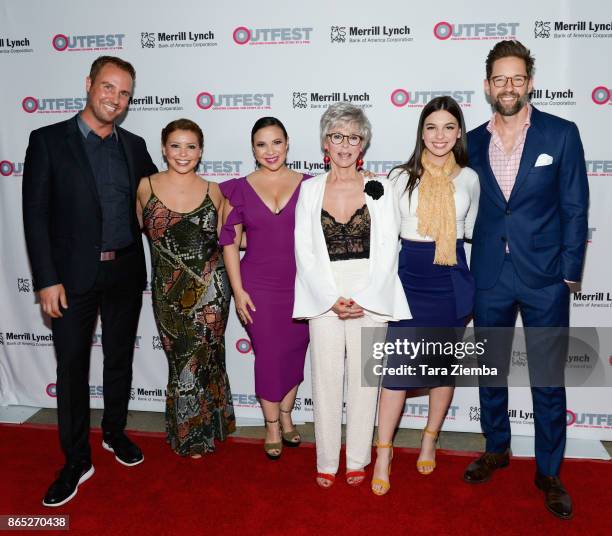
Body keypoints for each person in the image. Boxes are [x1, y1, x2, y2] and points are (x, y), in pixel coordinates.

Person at [22, 56, 158, 507]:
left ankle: (114, 433)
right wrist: (46, 279)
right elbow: (35, 216)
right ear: (89, 84)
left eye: (124, 94)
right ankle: (76, 459)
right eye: (108, 88)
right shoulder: (47, 141)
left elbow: (160, 202)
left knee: (119, 358)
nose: (115, 100)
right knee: (72, 368)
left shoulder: (134, 146)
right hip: (70, 278)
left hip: (124, 270)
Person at [463, 40, 588, 520]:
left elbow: (576, 206)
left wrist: (570, 272)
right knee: (490, 369)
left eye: (517, 78)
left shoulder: (561, 134)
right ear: (488, 85)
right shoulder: (470, 141)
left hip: (544, 277)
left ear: (529, 82)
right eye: (500, 79)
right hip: (490, 274)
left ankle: (549, 470)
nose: (508, 86)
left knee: (547, 377)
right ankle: (496, 447)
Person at [293, 102, 411, 488]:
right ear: (325, 142)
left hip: (369, 292)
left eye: (354, 137)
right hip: (323, 294)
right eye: (337, 136)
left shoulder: (381, 188)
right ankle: (326, 460)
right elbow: (304, 250)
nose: (345, 145)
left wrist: (365, 295)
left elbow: (389, 247)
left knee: (365, 382)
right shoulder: (309, 190)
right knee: (325, 382)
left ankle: (359, 459)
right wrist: (330, 297)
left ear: (363, 144)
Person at [371, 96, 479, 495]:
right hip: (409, 276)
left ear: (459, 133)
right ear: (421, 132)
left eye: (449, 127)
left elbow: (473, 232)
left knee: (442, 368)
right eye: (432, 127)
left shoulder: (469, 178)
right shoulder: (399, 177)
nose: (440, 135)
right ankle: (384, 451)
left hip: (450, 277)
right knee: (396, 370)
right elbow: (382, 233)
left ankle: (429, 438)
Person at [136, 119, 235, 458]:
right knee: (181, 362)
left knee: (204, 359)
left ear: (201, 151)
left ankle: (198, 434)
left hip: (212, 290)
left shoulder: (215, 190)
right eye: (176, 146)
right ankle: (195, 427)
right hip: (167, 294)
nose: (183, 153)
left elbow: (230, 241)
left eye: (191, 146)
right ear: (163, 149)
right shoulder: (145, 187)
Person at [219, 117, 310, 459]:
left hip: (301, 286)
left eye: (276, 142)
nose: (270, 151)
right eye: (261, 144)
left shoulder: (310, 184)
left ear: (287, 143)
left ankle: (287, 417)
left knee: (293, 353)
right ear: (253, 149)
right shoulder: (239, 188)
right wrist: (237, 290)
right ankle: (271, 424)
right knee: (269, 356)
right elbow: (229, 242)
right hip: (257, 285)